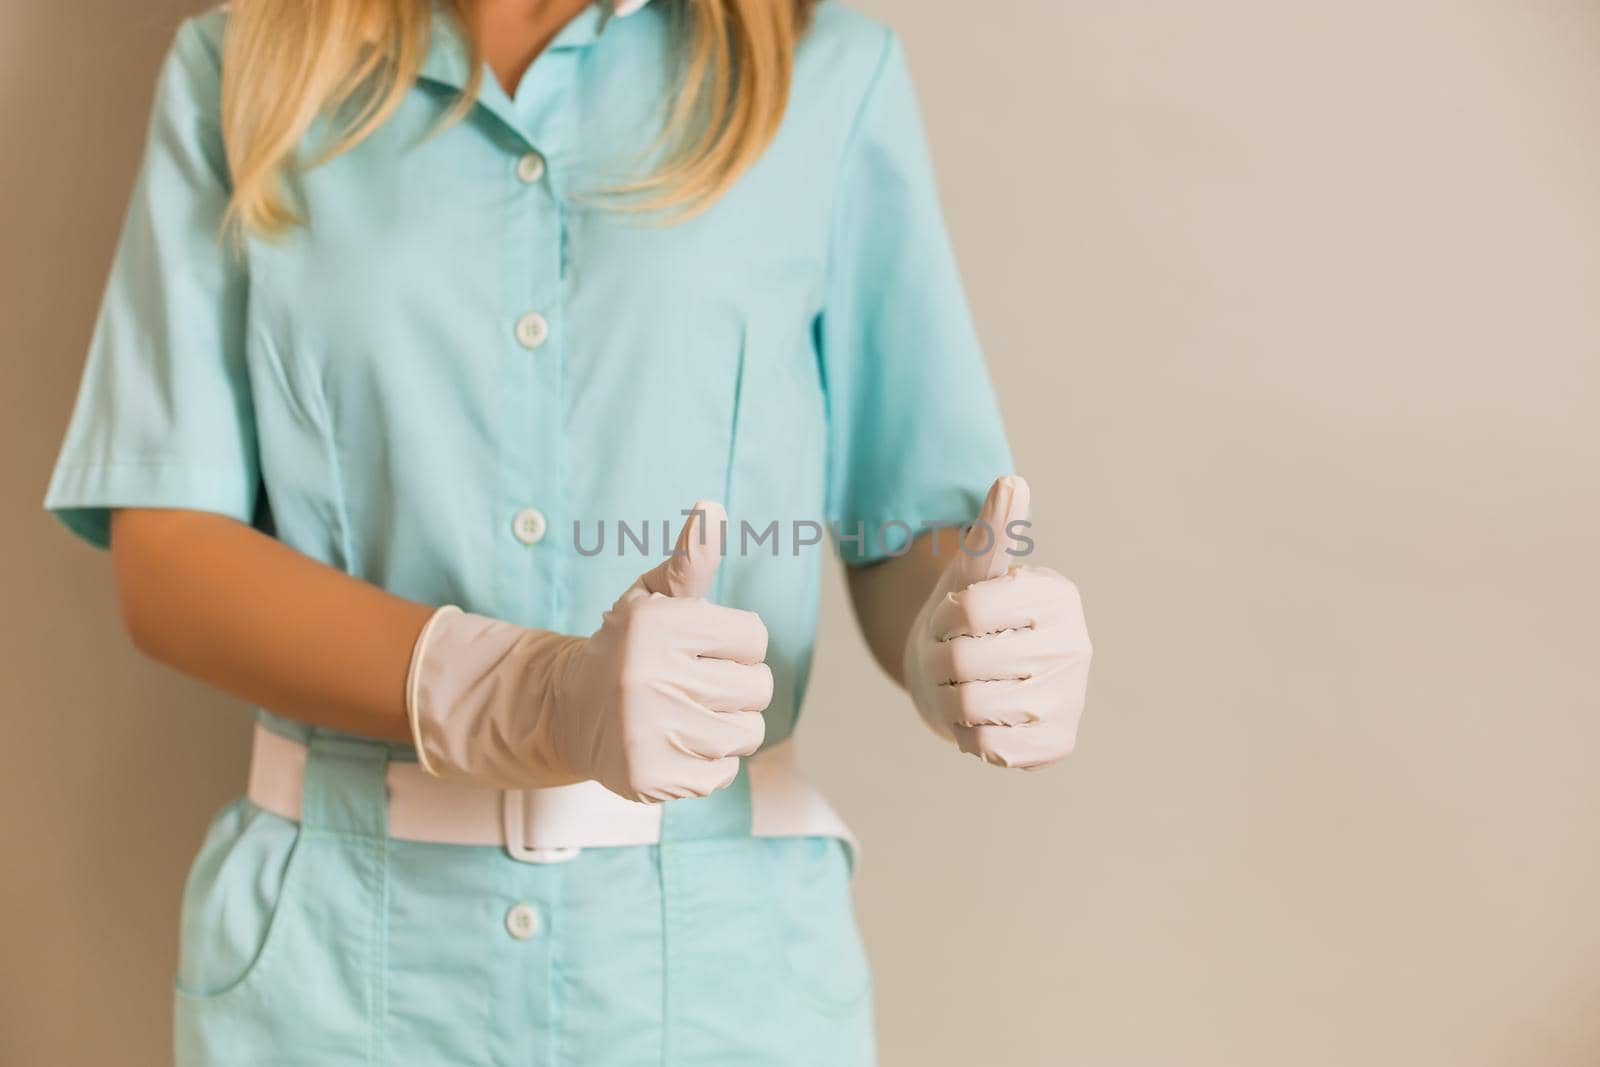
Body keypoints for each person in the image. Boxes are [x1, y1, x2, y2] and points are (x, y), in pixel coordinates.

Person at [44, 0, 1093, 1062]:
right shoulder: (239, 65)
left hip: (717, 989)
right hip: (332, 983)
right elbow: (169, 555)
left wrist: (962, 629)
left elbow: (908, 522)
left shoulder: (829, 71)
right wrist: (519, 691)